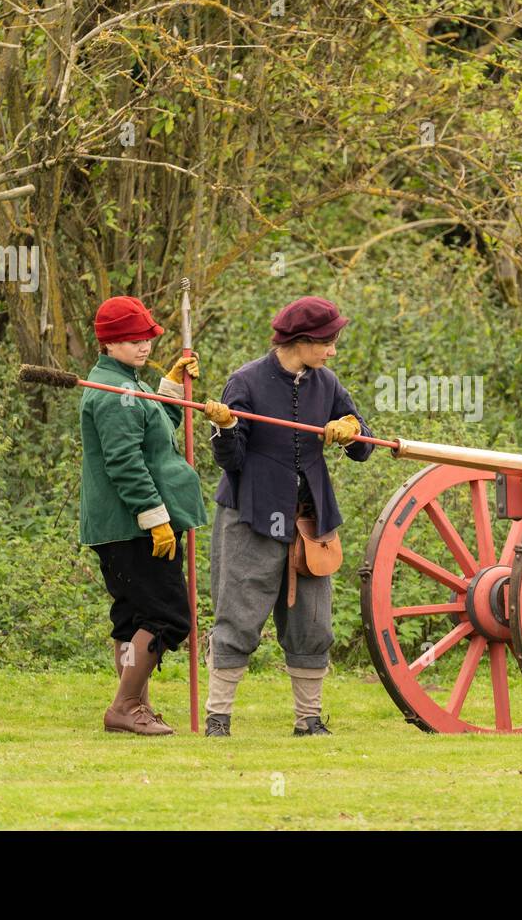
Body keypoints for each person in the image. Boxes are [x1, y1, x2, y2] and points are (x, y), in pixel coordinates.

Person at [202, 297, 373, 737]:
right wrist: (223, 429)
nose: (333, 351)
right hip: (250, 515)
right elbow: (232, 460)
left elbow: (365, 447)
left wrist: (352, 429)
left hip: (310, 522)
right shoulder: (245, 382)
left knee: (312, 623)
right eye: (328, 342)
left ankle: (309, 721)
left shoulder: (327, 382)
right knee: (238, 617)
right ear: (302, 341)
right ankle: (218, 720)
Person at [79, 295, 207, 736]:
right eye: (132, 340)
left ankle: (137, 707)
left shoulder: (129, 385)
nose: (143, 346)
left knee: (132, 619)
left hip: (120, 526)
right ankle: (126, 705)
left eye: (147, 337)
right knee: (168, 618)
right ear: (108, 344)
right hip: (133, 525)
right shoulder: (117, 394)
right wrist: (155, 519)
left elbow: (157, 432)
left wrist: (170, 386)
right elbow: (126, 463)